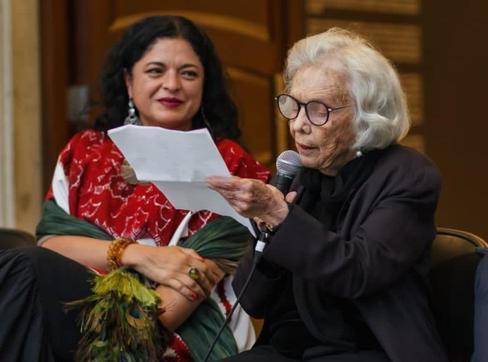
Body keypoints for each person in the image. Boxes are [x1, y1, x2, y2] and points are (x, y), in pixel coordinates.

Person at [0, 15, 269, 361]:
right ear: (129, 81)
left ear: (204, 85)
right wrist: (141, 256)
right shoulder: (85, 152)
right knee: (22, 269)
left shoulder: (230, 165)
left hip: (165, 327)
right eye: (156, 71)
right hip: (75, 309)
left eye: (188, 73)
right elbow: (53, 244)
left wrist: (122, 345)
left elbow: (195, 276)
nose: (172, 84)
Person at [208, 27, 448, 362]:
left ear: (366, 115)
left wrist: (282, 217)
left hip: (371, 349)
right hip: (293, 348)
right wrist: (269, 230)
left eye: (318, 110)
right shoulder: (296, 176)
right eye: (293, 105)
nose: (298, 124)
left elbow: (359, 272)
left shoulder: (408, 175)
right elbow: (254, 301)